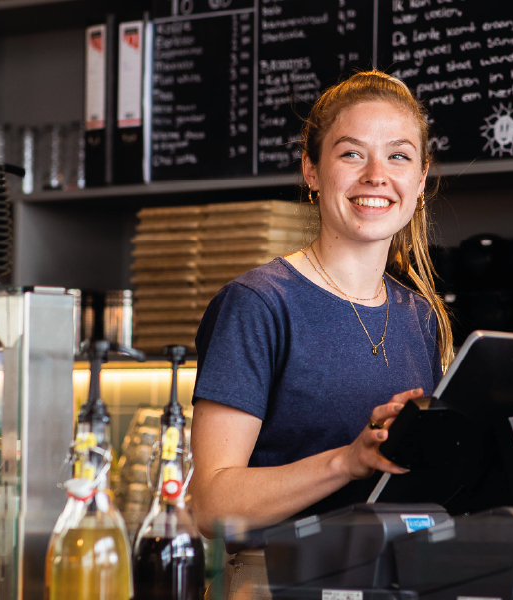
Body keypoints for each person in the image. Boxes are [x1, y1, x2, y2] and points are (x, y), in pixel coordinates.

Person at [189, 70, 454, 598]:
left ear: (421, 181)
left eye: (399, 156)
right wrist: (347, 460)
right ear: (312, 170)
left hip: (400, 579)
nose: (377, 175)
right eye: (352, 154)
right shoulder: (260, 303)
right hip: (279, 583)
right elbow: (212, 506)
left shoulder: (421, 317)